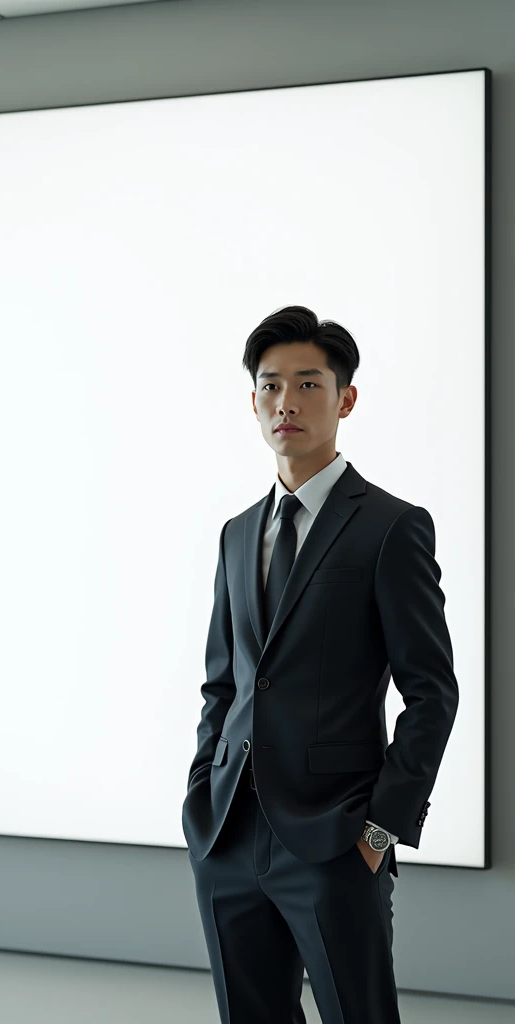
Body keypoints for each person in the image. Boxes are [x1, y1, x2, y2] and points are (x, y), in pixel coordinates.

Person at [181, 304, 459, 1023]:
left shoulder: (392, 527)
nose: (287, 404)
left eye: (308, 385)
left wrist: (379, 832)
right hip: (229, 834)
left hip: (336, 840)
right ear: (253, 402)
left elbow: (431, 692)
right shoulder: (238, 534)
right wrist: (202, 798)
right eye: (271, 387)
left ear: (346, 398)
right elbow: (225, 682)